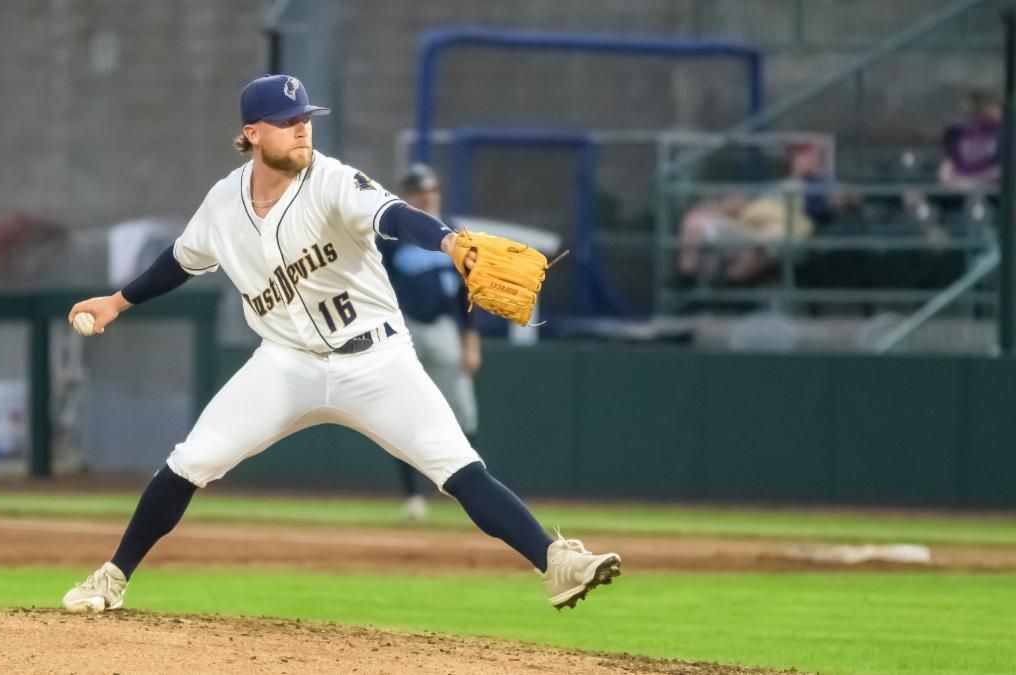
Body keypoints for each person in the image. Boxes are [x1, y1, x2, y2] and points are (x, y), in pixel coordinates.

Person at [61, 74, 620, 612]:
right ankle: (112, 576)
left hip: (377, 361)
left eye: (305, 118)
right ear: (253, 133)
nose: (302, 129)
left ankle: (555, 563)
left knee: (459, 467)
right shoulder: (223, 203)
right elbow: (181, 259)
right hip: (284, 364)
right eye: (287, 121)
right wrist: (117, 301)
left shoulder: (333, 181)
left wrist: (449, 243)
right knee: (191, 461)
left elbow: (395, 215)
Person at [379, 164, 481, 521]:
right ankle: (413, 495)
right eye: (420, 192)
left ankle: (473, 494)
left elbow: (469, 293)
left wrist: (471, 340)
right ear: (406, 196)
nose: (427, 197)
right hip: (403, 329)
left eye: (432, 191)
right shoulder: (390, 237)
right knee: (403, 413)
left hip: (443, 328)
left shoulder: (454, 234)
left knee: (463, 411)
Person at [676, 141, 829, 284]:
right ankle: (686, 279)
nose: (803, 158)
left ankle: (730, 292)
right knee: (694, 220)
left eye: (809, 154)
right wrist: (721, 206)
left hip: (775, 236)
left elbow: (826, 209)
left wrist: (813, 179)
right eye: (800, 153)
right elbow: (742, 202)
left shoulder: (818, 189)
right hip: (744, 227)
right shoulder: (771, 185)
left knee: (754, 250)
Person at [939, 89, 1001, 190]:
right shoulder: (958, 131)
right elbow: (948, 163)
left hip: (992, 189)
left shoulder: (1005, 132)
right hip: (958, 186)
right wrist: (950, 180)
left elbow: (1002, 170)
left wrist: (972, 182)